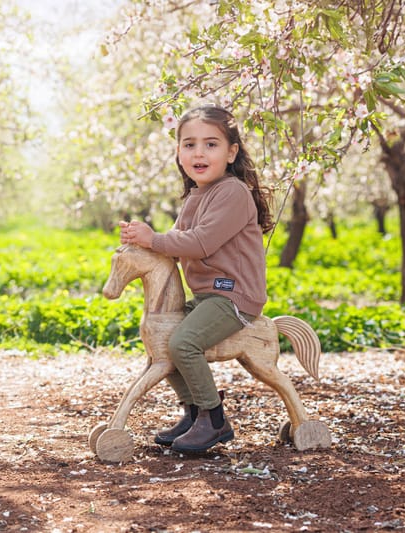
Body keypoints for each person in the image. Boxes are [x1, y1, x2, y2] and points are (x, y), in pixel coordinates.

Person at [119, 104, 273, 453]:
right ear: (178, 152)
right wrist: (141, 241)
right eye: (189, 145)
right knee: (166, 340)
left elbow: (200, 243)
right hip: (209, 296)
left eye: (211, 144)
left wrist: (153, 238)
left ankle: (214, 419)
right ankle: (193, 413)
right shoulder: (194, 195)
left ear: (231, 152)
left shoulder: (232, 192)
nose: (198, 152)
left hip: (234, 295)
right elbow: (175, 246)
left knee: (183, 343)